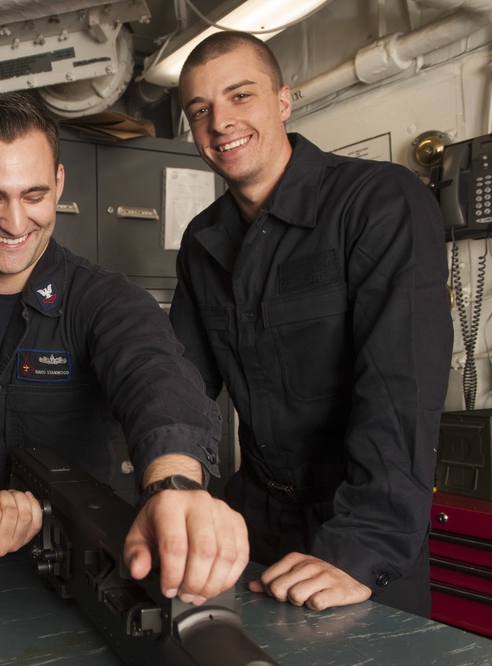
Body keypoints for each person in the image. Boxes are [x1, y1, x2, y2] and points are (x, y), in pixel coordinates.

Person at [0, 91, 249, 606]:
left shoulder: (103, 297)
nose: (14, 223)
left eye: (33, 195)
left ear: (58, 183)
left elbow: (153, 372)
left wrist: (177, 484)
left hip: (82, 574)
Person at [170, 31, 452, 616]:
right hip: (256, 521)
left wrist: (362, 547)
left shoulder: (378, 202)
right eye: (200, 110)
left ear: (282, 100)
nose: (220, 122)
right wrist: (175, 495)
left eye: (240, 96)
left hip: (361, 522)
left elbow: (401, 388)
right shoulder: (203, 241)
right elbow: (182, 388)